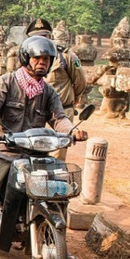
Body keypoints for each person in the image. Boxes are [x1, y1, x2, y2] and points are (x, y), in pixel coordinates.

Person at [0, 36, 88, 259]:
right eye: (38, 58)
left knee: (58, 193)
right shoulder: (6, 82)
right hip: (3, 149)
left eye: (47, 59)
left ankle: (59, 244)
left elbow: (60, 119)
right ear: (26, 58)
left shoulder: (49, 92)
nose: (42, 63)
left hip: (34, 152)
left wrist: (72, 130)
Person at [25, 18, 88, 159]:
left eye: (44, 36)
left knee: (57, 153)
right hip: (33, 110)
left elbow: (80, 83)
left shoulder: (66, 57)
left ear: (50, 37)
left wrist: (70, 101)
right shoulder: (26, 57)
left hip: (61, 110)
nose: (41, 41)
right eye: (36, 37)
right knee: (29, 148)